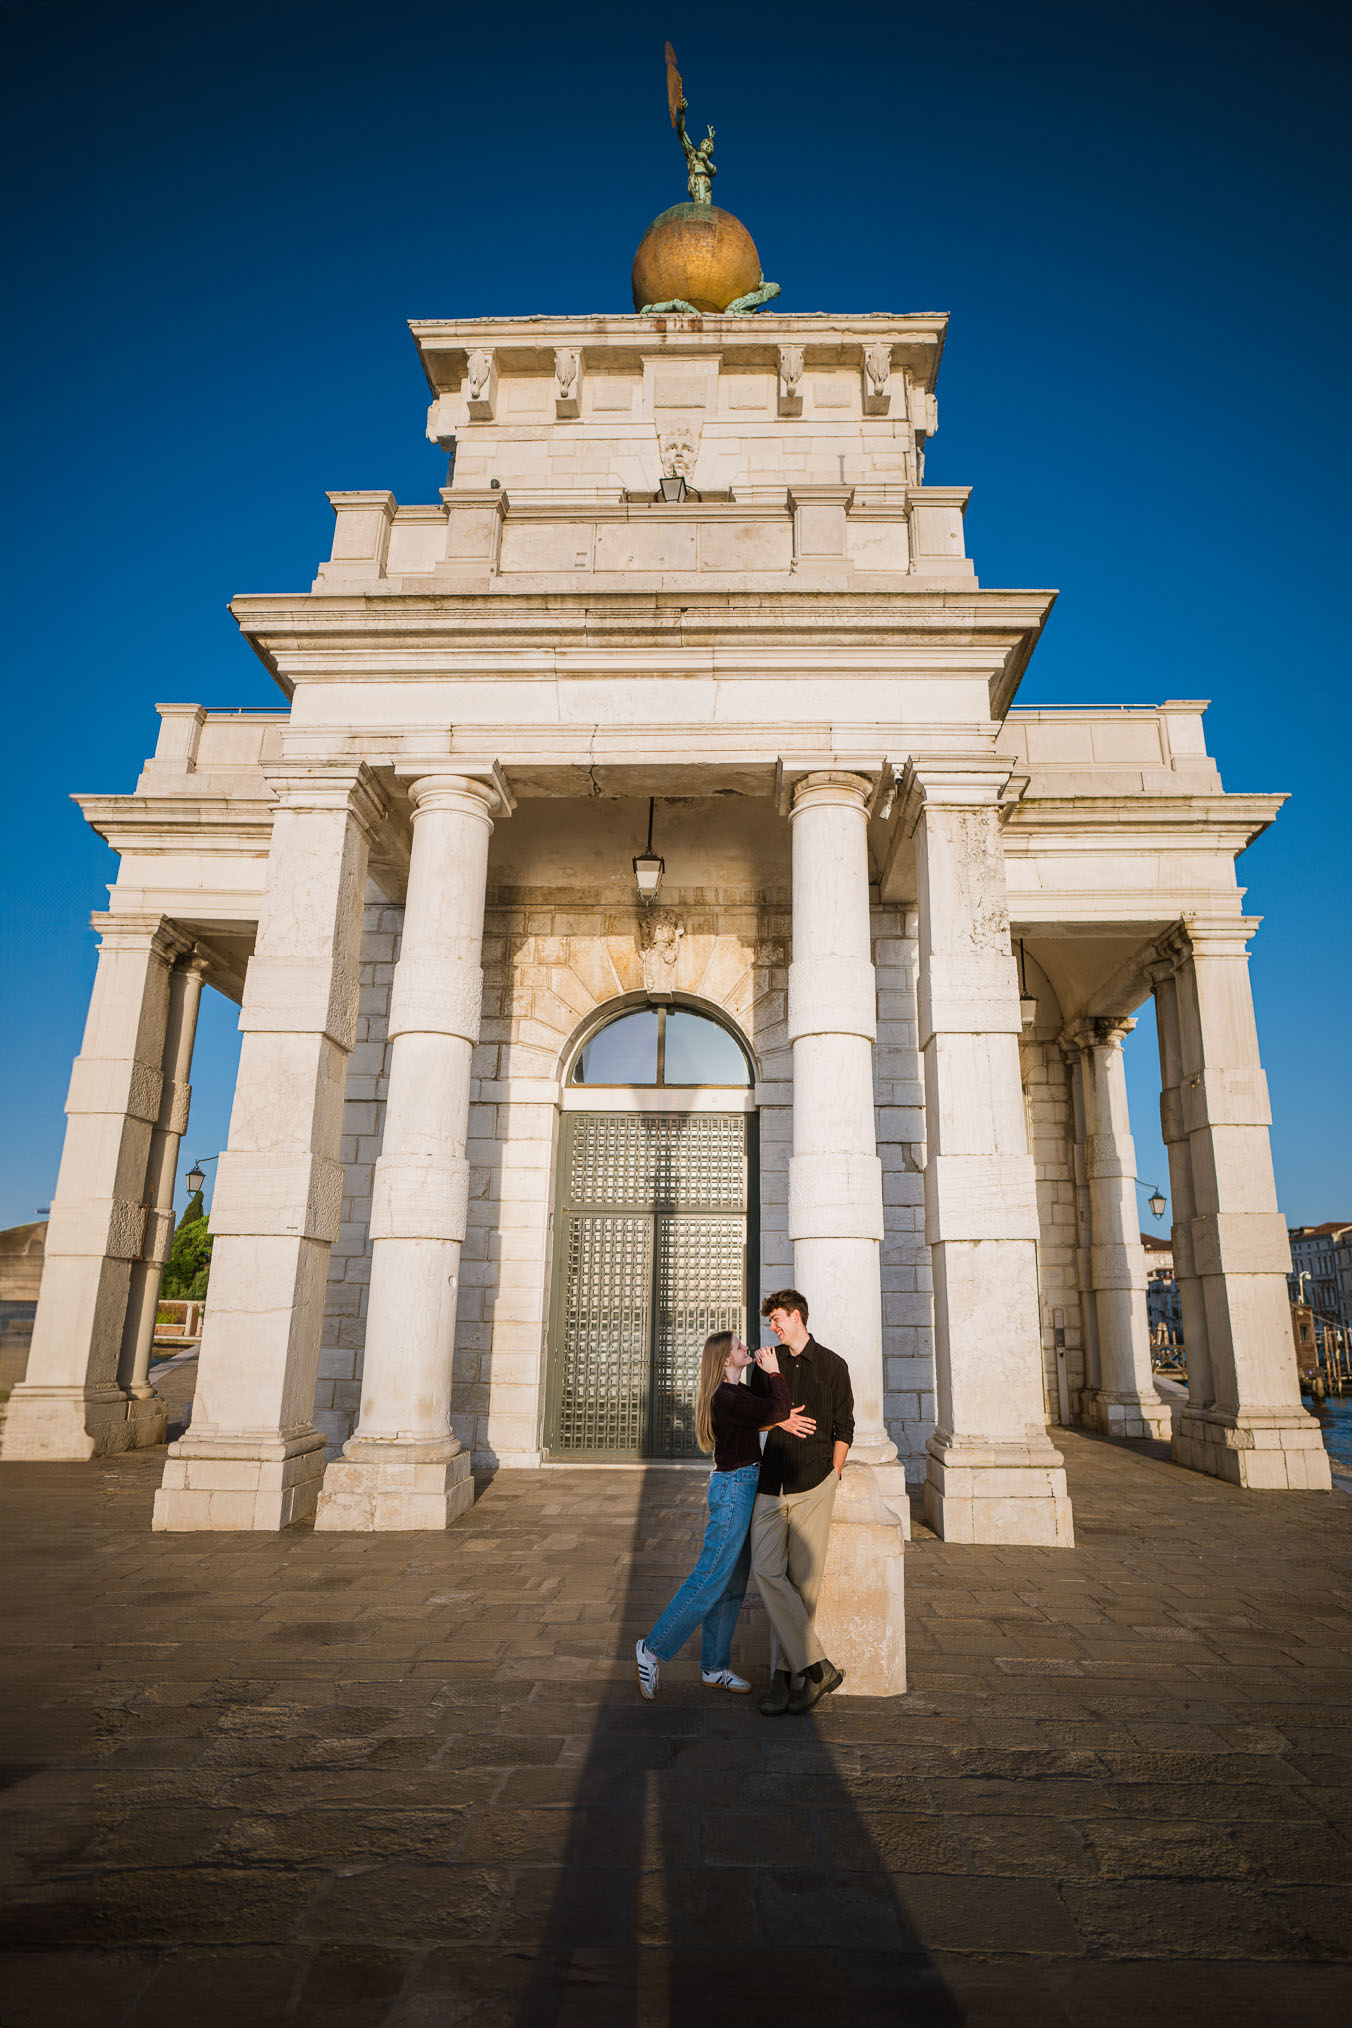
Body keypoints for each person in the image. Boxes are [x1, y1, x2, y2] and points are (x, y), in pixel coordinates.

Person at [634, 1331, 792, 1700]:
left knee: (732, 1584)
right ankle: (652, 1649)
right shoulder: (725, 1397)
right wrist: (775, 1371)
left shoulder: (738, 1392)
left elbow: (768, 1411)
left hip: (744, 1486)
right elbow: (779, 1410)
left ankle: (715, 1667)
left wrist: (773, 1399)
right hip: (734, 1489)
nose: (746, 1348)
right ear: (725, 1360)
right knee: (709, 1578)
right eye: (739, 1347)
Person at [747, 1288, 854, 1716]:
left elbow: (845, 1426)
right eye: (770, 1321)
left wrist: (834, 1475)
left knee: (803, 1585)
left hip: (815, 1484)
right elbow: (750, 1418)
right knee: (766, 1571)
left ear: (796, 1317)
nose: (772, 1327)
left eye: (776, 1319)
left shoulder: (833, 1365)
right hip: (771, 1485)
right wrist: (781, 1419)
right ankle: (818, 1668)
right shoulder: (766, 1363)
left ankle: (784, 1678)